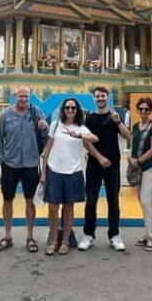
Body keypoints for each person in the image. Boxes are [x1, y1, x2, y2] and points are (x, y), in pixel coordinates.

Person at [0, 85, 48, 253]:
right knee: (7, 199)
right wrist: (0, 159)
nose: (24, 99)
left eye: (26, 96)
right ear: (14, 96)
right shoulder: (6, 116)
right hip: (10, 163)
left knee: (30, 200)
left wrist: (44, 128)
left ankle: (30, 236)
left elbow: (45, 137)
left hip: (31, 163)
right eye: (21, 96)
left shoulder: (36, 112)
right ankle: (8, 235)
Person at [40, 98, 98, 256]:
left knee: (69, 207)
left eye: (73, 108)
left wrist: (79, 136)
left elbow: (94, 138)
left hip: (73, 172)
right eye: (67, 108)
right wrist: (44, 172)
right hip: (54, 171)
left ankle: (65, 240)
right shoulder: (55, 125)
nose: (70, 110)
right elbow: (48, 149)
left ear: (77, 110)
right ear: (63, 110)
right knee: (53, 207)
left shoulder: (81, 127)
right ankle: (53, 240)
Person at [79, 85, 131, 252]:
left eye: (103, 96)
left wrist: (119, 122)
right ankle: (88, 234)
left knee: (113, 201)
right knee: (91, 201)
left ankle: (114, 235)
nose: (100, 99)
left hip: (113, 165)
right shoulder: (89, 118)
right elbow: (85, 142)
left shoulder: (114, 116)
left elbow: (127, 136)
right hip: (94, 164)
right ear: (94, 99)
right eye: (97, 96)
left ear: (107, 98)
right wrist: (100, 158)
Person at [127, 97, 152, 251]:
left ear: (150, 110)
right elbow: (133, 144)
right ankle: (148, 233)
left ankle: (151, 236)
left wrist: (138, 160)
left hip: (150, 167)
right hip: (138, 168)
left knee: (147, 201)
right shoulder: (135, 126)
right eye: (141, 109)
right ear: (137, 110)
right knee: (143, 201)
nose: (143, 112)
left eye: (146, 109)